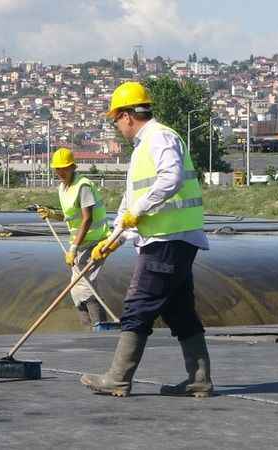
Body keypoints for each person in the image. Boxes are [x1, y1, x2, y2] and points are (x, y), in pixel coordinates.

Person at [80, 81, 213, 397]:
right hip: (167, 238)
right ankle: (199, 380)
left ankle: (118, 377)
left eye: (116, 119)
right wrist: (111, 239)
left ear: (127, 115)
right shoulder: (142, 148)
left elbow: (171, 178)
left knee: (138, 305)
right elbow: (131, 203)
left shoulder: (160, 138)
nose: (116, 126)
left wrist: (137, 211)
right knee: (180, 311)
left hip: (168, 239)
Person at [37, 147, 110, 329]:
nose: (60, 172)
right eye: (57, 168)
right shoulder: (63, 188)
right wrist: (53, 214)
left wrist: (73, 249)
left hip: (96, 241)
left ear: (73, 167)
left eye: (64, 168)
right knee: (76, 291)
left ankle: (101, 326)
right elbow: (73, 216)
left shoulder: (83, 186)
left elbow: (88, 218)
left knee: (84, 286)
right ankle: (87, 329)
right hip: (79, 242)